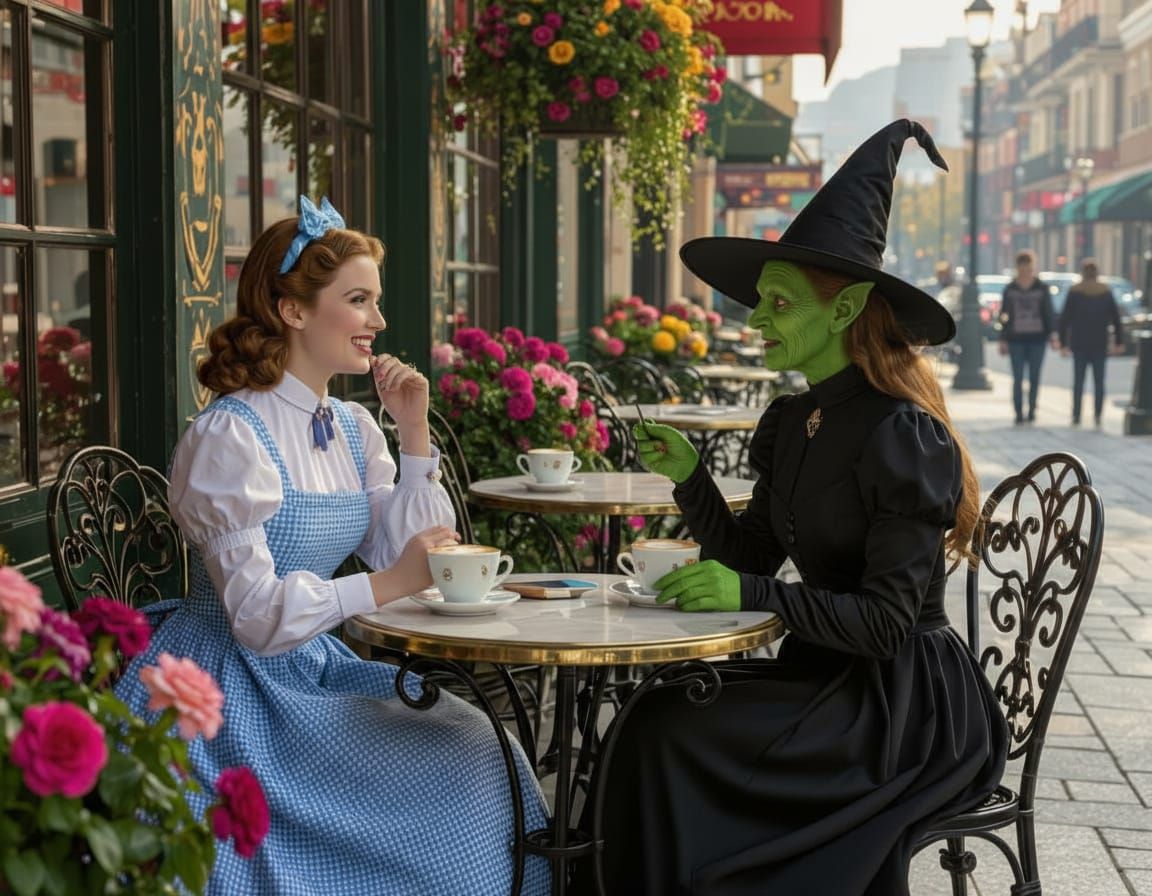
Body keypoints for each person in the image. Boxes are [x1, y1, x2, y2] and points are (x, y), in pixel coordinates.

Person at [582, 121, 1008, 895]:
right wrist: (692, 480)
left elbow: (883, 624)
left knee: (669, 732)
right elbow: (751, 556)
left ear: (844, 312)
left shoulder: (903, 436)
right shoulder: (793, 419)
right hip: (825, 677)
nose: (755, 321)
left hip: (902, 709)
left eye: (777, 303)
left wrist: (750, 597)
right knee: (654, 712)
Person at [114, 196, 548, 895]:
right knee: (452, 764)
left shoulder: (350, 427)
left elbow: (408, 553)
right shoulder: (231, 436)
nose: (378, 321)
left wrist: (414, 435)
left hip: (310, 667)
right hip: (224, 687)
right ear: (293, 311)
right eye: (358, 300)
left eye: (376, 302)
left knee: (473, 746)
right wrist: (385, 587)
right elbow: (256, 616)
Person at [1057, 258, 1125, 427]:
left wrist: (1063, 343)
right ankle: (1097, 414)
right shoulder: (1105, 291)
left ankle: (1076, 415)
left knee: (1078, 381)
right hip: (1099, 343)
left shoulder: (1075, 291)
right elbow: (1116, 319)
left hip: (1079, 343)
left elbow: (1064, 319)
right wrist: (1119, 341)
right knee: (1099, 382)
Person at [998, 250, 1055, 424]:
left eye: (1028, 268)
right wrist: (1002, 338)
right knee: (1017, 377)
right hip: (1016, 339)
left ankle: (1031, 409)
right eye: (1022, 268)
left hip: (1037, 339)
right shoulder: (1010, 288)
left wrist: (1053, 334)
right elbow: (1003, 315)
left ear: (1033, 267)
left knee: (1035, 376)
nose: (1025, 271)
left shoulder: (1042, 287)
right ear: (1017, 268)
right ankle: (1018, 411)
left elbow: (1049, 313)